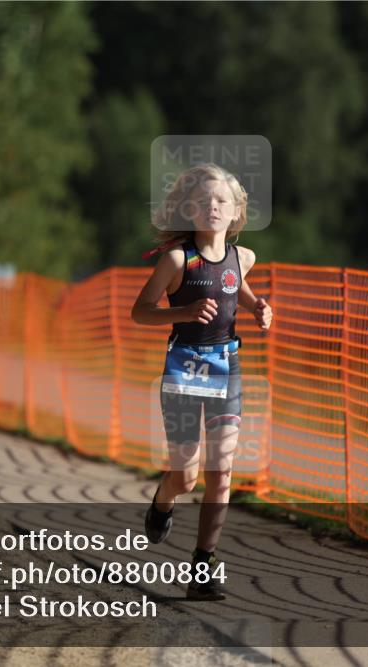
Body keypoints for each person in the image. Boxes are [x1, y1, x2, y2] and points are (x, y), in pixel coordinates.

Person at [131, 163, 273, 601]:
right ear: (188, 209)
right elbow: (140, 311)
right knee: (187, 474)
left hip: (227, 366)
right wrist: (182, 314)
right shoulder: (178, 260)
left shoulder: (242, 257)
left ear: (236, 213)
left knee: (223, 468)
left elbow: (238, 287)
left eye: (222, 202)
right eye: (204, 201)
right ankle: (163, 500)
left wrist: (258, 308)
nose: (213, 207)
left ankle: (204, 565)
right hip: (184, 366)